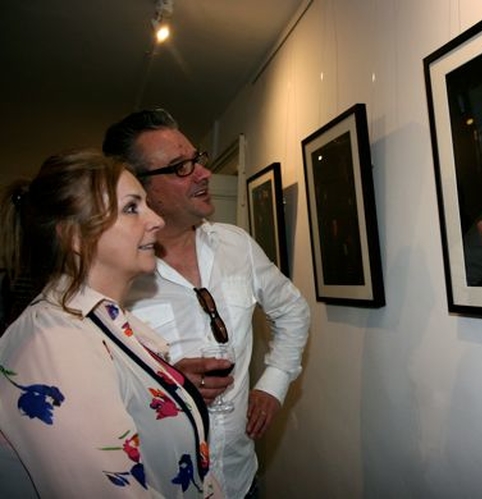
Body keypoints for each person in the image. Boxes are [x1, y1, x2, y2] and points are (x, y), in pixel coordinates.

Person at [103, 109, 311, 499]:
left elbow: (292, 310)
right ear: (137, 186)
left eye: (197, 159)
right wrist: (168, 388)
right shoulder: (115, 273)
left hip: (240, 478)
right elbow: (90, 392)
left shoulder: (237, 245)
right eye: (181, 167)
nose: (203, 173)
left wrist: (273, 384)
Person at [0, 150, 223, 498]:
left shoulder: (105, 321)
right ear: (75, 237)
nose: (157, 220)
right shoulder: (55, 343)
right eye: (132, 208)